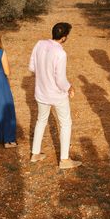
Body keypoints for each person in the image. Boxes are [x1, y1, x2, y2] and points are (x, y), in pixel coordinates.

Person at [29, 22, 81, 169]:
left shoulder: (39, 44)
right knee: (65, 123)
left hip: (41, 91)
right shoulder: (60, 53)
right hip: (57, 94)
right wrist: (69, 87)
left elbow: (32, 67)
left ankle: (35, 153)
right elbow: (60, 79)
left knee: (41, 120)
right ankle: (64, 160)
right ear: (64, 38)